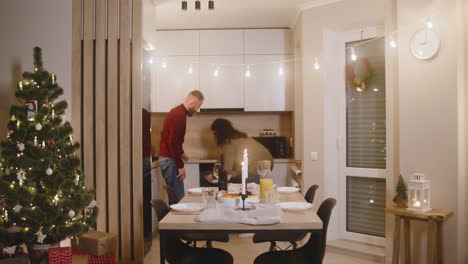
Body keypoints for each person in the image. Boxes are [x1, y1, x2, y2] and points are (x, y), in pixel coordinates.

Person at [159, 90, 204, 199]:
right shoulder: (179, 116)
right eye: (197, 107)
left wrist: (182, 153)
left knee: (175, 197)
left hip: (168, 158)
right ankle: (177, 217)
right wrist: (180, 166)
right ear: (192, 103)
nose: (197, 110)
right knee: (178, 199)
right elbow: (173, 142)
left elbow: (174, 140)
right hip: (170, 160)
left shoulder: (177, 112)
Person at [206, 118, 273, 184]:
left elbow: (227, 169)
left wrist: (213, 176)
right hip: (268, 165)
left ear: (219, 133)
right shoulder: (240, 137)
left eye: (214, 134)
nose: (214, 137)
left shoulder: (228, 142)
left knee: (238, 182)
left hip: (255, 169)